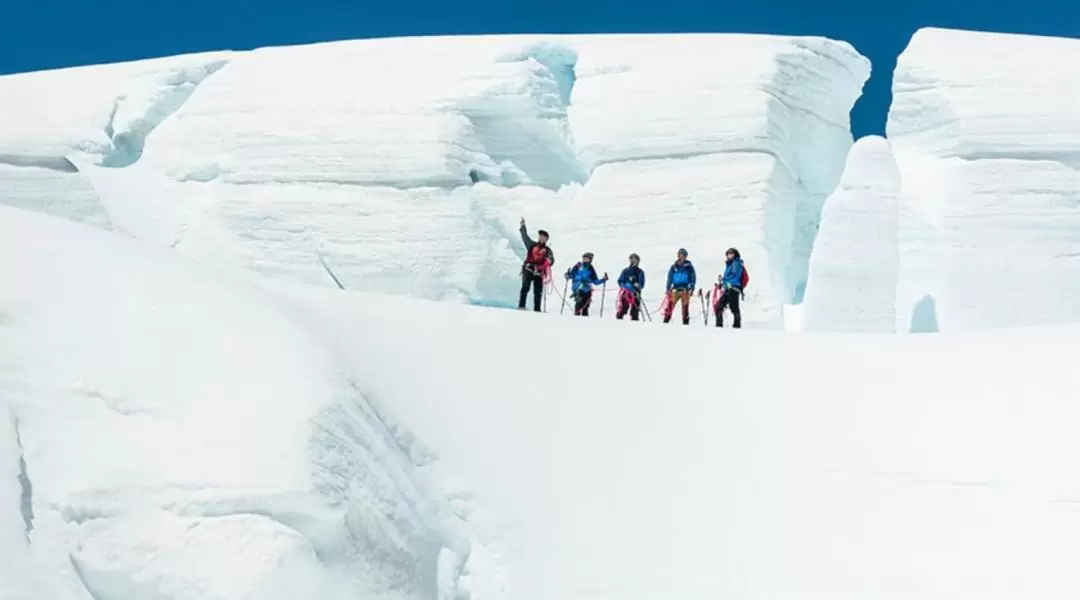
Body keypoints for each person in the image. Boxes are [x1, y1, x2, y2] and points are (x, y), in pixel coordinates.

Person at [517, 218, 554, 312]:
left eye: (543, 236)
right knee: (525, 287)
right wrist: (523, 227)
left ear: (546, 239)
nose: (541, 237)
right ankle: (521, 306)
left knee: (538, 291)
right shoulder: (532, 245)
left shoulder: (548, 250)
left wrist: (550, 261)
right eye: (540, 235)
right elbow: (525, 237)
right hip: (528, 268)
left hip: (539, 271)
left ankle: (537, 310)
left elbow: (552, 260)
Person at [565, 252, 608, 317]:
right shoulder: (578, 266)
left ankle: (585, 320)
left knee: (586, 305)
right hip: (577, 287)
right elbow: (572, 275)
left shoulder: (591, 269)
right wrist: (567, 275)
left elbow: (595, 281)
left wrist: (603, 279)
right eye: (583, 258)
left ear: (590, 259)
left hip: (587, 289)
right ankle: (576, 317)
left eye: (586, 258)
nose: (584, 259)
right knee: (579, 302)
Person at [663, 248, 696, 325]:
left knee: (685, 307)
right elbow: (669, 278)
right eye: (679, 254)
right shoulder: (674, 267)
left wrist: (691, 288)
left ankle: (685, 323)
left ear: (685, 256)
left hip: (685, 289)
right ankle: (665, 322)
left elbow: (693, 278)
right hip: (675, 288)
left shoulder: (689, 267)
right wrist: (668, 288)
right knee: (670, 305)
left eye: (681, 254)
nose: (680, 256)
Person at [715, 247, 744, 328]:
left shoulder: (736, 263)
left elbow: (736, 275)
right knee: (720, 306)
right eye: (728, 253)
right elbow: (729, 277)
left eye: (731, 253)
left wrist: (729, 283)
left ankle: (736, 325)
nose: (729, 255)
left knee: (733, 307)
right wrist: (723, 283)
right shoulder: (730, 264)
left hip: (733, 288)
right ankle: (720, 325)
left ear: (735, 254)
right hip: (729, 288)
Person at [616, 253, 646, 321]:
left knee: (635, 311)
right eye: (631, 259)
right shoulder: (625, 270)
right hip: (626, 292)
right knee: (623, 308)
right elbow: (620, 280)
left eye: (634, 259)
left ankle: (635, 323)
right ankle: (618, 321)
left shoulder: (640, 272)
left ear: (638, 261)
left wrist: (636, 284)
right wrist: (623, 286)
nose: (632, 261)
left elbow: (642, 284)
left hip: (636, 293)